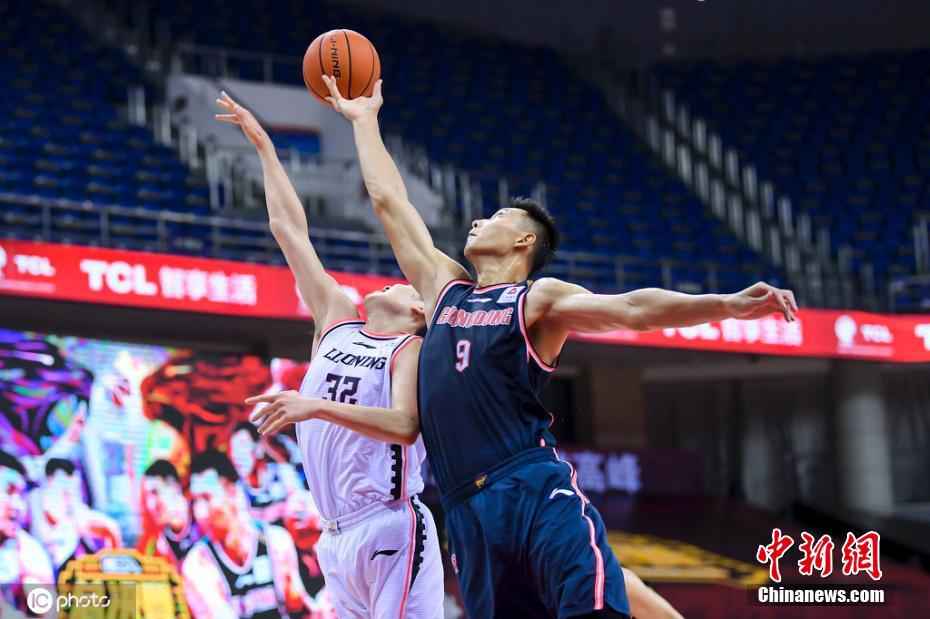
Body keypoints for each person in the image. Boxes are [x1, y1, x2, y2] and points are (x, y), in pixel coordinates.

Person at [321, 75, 798, 618]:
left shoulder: (537, 300)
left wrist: (728, 304)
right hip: (463, 508)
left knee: (595, 604)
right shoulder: (442, 288)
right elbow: (389, 202)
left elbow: (633, 309)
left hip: (529, 484)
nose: (479, 220)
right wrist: (364, 122)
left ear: (525, 241)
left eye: (497, 217)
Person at [215, 92, 444, 618]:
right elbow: (289, 231)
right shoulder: (337, 319)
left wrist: (313, 406)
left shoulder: (408, 347)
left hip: (390, 522)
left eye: (409, 287)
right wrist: (265, 149)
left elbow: (405, 425)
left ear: (418, 314)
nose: (397, 282)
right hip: (335, 533)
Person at [181, 450, 311, 619]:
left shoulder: (276, 541)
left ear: (233, 492)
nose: (200, 512)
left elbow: (299, 607)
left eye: (206, 498)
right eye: (195, 501)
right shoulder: (197, 564)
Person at [29, 458, 122, 572]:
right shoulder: (36, 499)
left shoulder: (76, 506)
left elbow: (90, 520)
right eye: (63, 482)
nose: (68, 489)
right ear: (50, 479)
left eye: (72, 483)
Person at [0, 450, 54, 611]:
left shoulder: (29, 552)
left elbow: (50, 613)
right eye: (9, 491)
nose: (18, 506)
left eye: (22, 495)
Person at [138, 459, 201, 570]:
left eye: (155, 492)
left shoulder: (204, 521)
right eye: (147, 496)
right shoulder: (154, 543)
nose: (150, 504)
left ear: (175, 487)